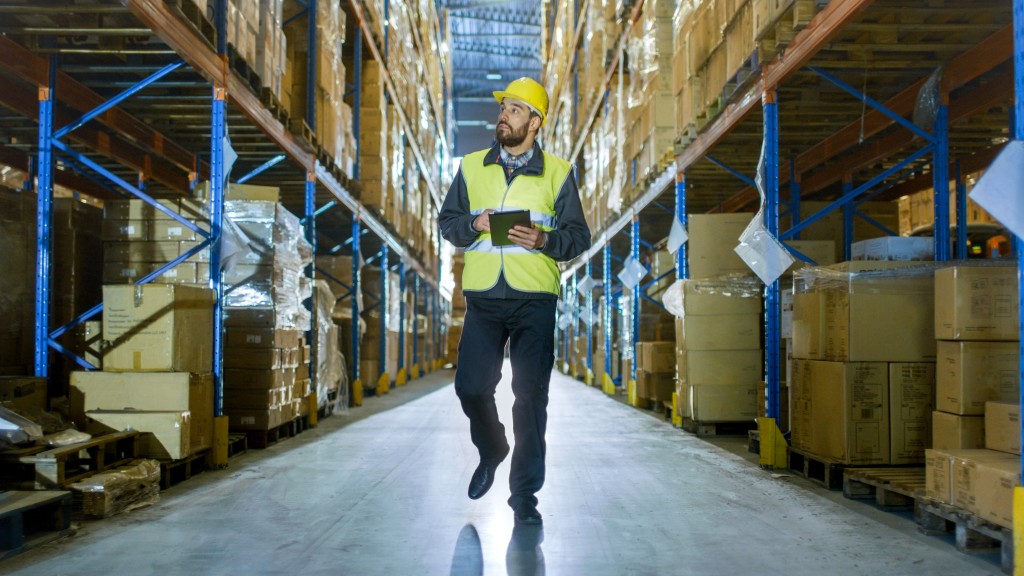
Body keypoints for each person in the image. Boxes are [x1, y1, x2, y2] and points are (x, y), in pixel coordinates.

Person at [439, 77, 591, 525]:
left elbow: (577, 237)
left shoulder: (558, 173)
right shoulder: (470, 167)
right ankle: (492, 448)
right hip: (485, 298)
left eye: (515, 109)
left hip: (534, 300)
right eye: (503, 107)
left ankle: (524, 495)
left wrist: (544, 238)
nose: (504, 114)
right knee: (470, 387)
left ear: (536, 123)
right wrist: (475, 223)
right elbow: (448, 224)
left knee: (530, 397)